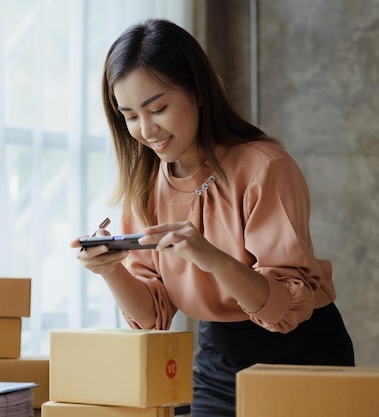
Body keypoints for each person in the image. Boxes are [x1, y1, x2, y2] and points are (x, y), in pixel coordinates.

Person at [71, 18, 355, 417]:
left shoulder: (264, 167)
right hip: (217, 361)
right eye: (130, 115)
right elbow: (152, 317)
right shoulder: (145, 184)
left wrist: (212, 258)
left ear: (199, 92)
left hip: (302, 356)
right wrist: (110, 270)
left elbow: (286, 310)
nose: (146, 129)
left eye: (159, 108)